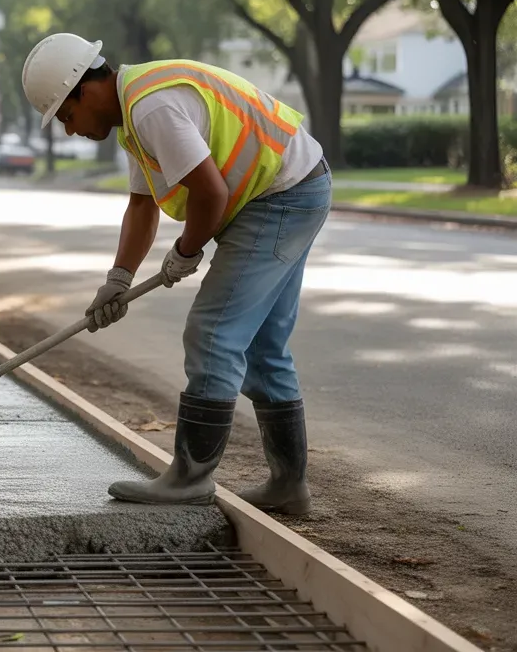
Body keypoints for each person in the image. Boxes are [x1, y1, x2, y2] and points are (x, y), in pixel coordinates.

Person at [21, 33, 331, 515]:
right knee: (262, 347)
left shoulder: (151, 108)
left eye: (66, 114)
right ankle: (289, 485)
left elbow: (210, 193)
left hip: (280, 197)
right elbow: (141, 206)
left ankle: (191, 477)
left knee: (212, 333)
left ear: (86, 88)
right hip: (295, 185)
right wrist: (118, 279)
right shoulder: (134, 114)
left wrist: (186, 251)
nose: (68, 129)